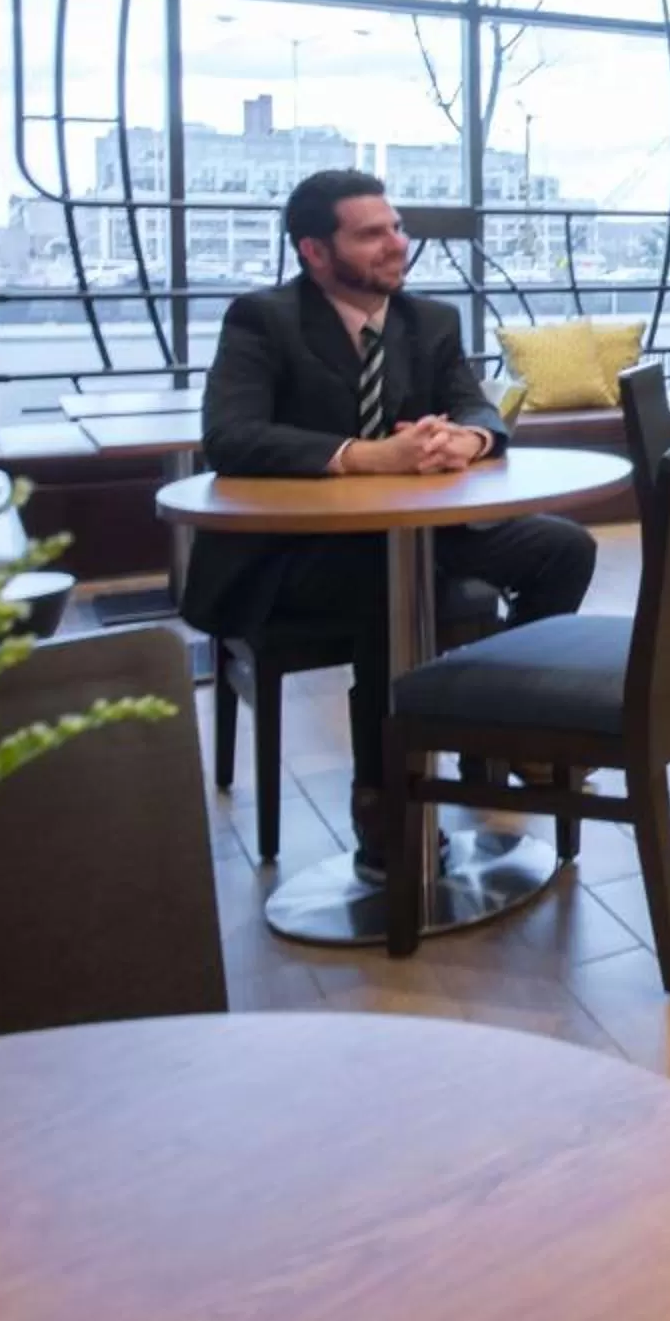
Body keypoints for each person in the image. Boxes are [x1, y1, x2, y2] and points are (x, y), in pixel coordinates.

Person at [183, 169, 595, 879]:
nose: (395, 245)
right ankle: (384, 806)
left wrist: (467, 440)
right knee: (387, 591)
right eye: (371, 234)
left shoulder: (427, 321)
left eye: (396, 228)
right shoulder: (262, 319)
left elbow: (477, 407)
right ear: (315, 251)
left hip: (420, 537)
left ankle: (505, 732)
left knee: (564, 549)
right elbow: (230, 437)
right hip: (293, 557)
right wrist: (365, 457)